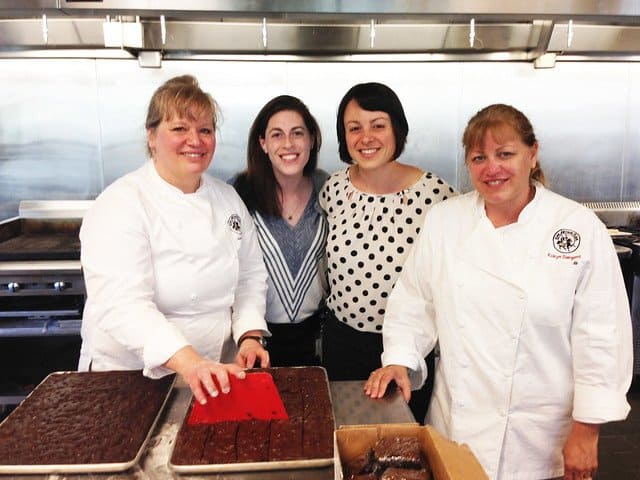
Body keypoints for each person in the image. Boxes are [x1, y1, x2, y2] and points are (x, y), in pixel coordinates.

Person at [364, 103, 633, 480]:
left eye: (505, 154)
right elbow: (415, 301)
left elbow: (602, 336)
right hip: (457, 427)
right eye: (479, 158)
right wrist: (399, 358)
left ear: (532, 153)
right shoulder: (445, 221)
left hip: (541, 439)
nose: (492, 168)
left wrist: (587, 433)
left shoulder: (577, 227)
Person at [78, 75, 270, 405]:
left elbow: (250, 277)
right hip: (130, 379)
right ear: (151, 136)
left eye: (205, 130)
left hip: (212, 375)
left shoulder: (227, 199)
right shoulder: (121, 203)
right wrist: (188, 362)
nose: (194, 140)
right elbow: (123, 304)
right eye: (180, 129)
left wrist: (250, 337)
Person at [319, 82, 455, 422]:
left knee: (402, 447)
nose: (367, 137)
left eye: (378, 125)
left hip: (408, 349)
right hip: (342, 343)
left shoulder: (435, 196)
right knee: (347, 438)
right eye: (354, 128)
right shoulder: (334, 189)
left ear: (397, 129)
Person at [232, 95, 328, 367]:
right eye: (277, 135)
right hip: (254, 342)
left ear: (311, 139)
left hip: (317, 341)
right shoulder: (239, 193)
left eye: (297, 133)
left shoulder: (329, 189)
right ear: (262, 143)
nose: (288, 144)